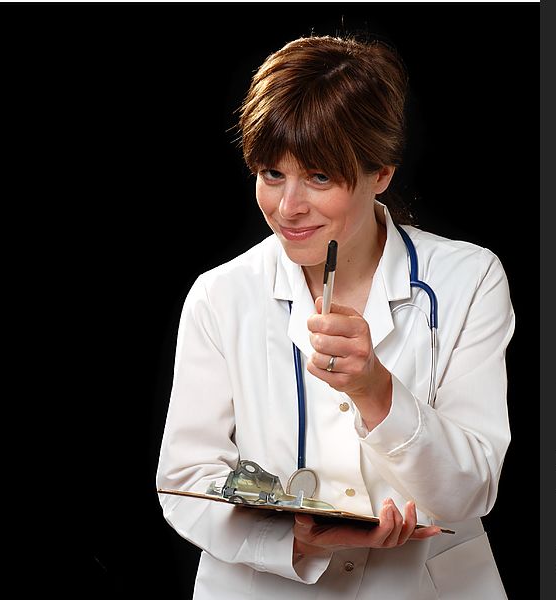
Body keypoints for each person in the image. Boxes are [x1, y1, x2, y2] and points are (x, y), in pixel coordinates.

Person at [156, 35, 515, 599]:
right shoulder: (220, 296)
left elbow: (470, 493)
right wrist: (297, 542)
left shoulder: (468, 279)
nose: (288, 207)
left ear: (382, 174)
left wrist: (376, 389)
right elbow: (183, 481)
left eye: (319, 177)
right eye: (272, 174)